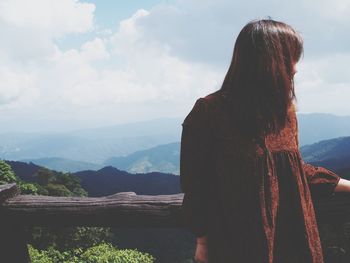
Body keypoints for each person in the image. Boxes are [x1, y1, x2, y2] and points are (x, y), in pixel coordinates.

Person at [179, 19, 350, 263]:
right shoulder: (209, 112)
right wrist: (202, 242)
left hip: (294, 242)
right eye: (292, 57)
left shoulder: (284, 114)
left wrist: (345, 183)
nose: (296, 68)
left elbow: (293, 172)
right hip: (237, 246)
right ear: (271, 62)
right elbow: (196, 184)